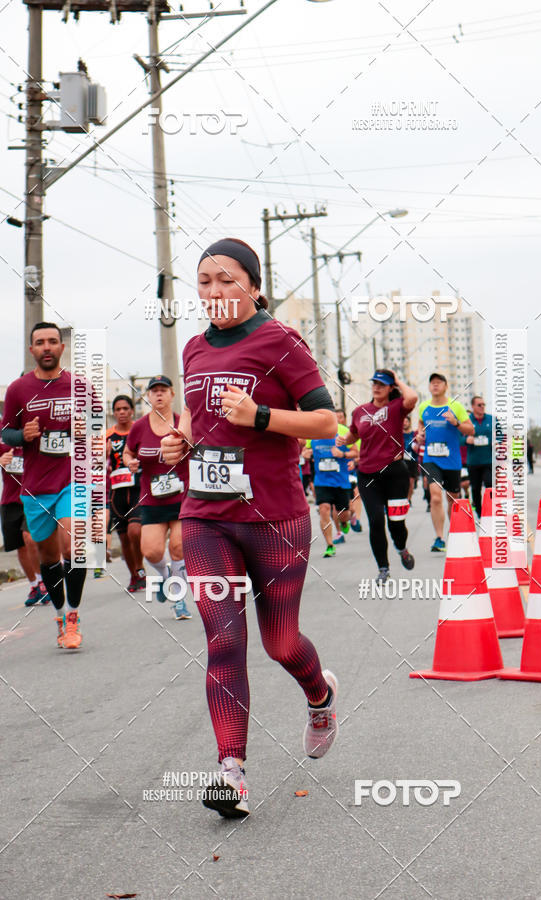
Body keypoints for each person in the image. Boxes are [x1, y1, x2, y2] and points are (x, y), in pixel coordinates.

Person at [161, 237, 339, 820]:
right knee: (224, 643)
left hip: (276, 519)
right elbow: (196, 417)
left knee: (279, 642)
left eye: (227, 280)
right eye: (204, 281)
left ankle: (320, 695)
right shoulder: (192, 349)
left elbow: (325, 422)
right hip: (206, 517)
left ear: (254, 286)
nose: (214, 291)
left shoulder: (279, 342)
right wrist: (179, 441)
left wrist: (260, 416)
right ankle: (230, 771)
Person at [1, 323, 87, 648]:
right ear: (32, 350)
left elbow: (97, 423)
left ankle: (75, 615)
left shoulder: (79, 385)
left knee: (73, 547)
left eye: (53, 341)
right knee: (49, 557)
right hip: (36, 487)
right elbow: (5, 433)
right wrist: (22, 435)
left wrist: (85, 427)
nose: (47, 346)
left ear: (61, 347)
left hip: (72, 479)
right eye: (40, 342)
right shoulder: (18, 390)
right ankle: (61, 615)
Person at [339, 369, 418, 582]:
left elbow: (412, 398)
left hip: (395, 474)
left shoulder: (396, 408)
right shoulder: (360, 412)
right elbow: (353, 434)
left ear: (390, 387)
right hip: (368, 474)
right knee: (375, 521)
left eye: (382, 384)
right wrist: (343, 441)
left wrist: (397, 378)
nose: (376, 387)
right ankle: (383, 568)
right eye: (374, 383)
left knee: (396, 522)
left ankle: (401, 548)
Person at [123, 376, 191, 621]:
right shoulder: (140, 426)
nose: (159, 395)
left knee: (178, 547)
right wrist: (129, 461)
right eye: (154, 391)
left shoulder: (182, 423)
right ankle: (165, 577)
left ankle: (179, 599)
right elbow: (128, 451)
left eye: (163, 390)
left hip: (182, 497)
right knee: (151, 552)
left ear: (172, 394)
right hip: (152, 499)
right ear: (148, 396)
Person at [415, 373, 474, 552]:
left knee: (452, 499)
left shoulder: (455, 406)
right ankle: (439, 538)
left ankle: (453, 534)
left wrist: (456, 423)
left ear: (446, 386)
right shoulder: (424, 407)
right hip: (431, 459)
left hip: (452, 460)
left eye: (439, 383)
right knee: (435, 496)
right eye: (432, 382)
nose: (435, 385)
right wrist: (419, 435)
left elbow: (470, 429)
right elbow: (420, 426)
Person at [0, 442, 47, 606]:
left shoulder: (33, 431)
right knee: (20, 546)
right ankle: (34, 586)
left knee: (30, 538)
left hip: (33, 498)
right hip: (10, 500)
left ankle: (43, 582)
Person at [106, 395, 145, 592]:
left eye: (125, 408)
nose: (121, 412)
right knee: (124, 539)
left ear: (131, 410)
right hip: (117, 493)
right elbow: (96, 464)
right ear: (114, 412)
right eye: (118, 409)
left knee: (135, 532)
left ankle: (140, 567)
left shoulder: (139, 429)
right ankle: (134, 576)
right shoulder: (107, 436)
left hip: (138, 488)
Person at [304, 413, 356, 558]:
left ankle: (344, 522)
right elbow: (305, 450)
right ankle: (329, 544)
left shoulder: (343, 433)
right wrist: (307, 453)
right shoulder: (313, 434)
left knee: (343, 514)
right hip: (322, 481)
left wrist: (343, 455)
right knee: (324, 509)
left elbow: (356, 453)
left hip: (341, 481)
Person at [465, 395, 493, 519]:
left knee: (489, 484)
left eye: (483, 404)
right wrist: (467, 439)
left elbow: (500, 435)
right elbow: (459, 438)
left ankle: (491, 510)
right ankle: (480, 513)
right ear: (473, 406)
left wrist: (496, 441)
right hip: (473, 461)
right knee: (475, 489)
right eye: (479, 405)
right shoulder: (467, 420)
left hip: (489, 460)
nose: (482, 407)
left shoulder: (492, 419)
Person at [402, 417, 418, 504]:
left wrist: (417, 447)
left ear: (409, 423)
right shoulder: (399, 434)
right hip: (401, 460)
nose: (404, 423)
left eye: (406, 421)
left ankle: (408, 499)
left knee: (411, 482)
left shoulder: (414, 434)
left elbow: (418, 444)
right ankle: (403, 498)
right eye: (403, 421)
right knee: (402, 481)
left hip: (412, 460)